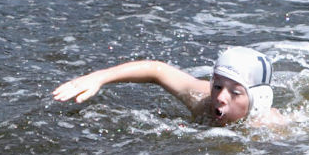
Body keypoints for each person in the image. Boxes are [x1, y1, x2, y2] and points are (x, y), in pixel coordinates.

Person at [53, 45, 285, 128]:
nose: (220, 98)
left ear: (258, 100)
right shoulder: (201, 101)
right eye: (217, 86)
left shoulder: (267, 127)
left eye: (235, 92)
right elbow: (156, 70)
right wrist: (99, 77)